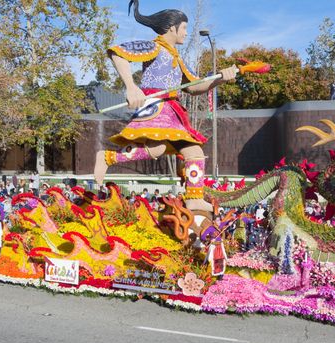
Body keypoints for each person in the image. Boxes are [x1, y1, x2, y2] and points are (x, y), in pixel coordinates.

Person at [93, 0, 237, 212]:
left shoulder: (177, 58)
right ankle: (107, 157)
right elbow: (117, 52)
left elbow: (196, 86)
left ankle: (194, 198)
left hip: (173, 110)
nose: (186, 32)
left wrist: (221, 79)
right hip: (157, 106)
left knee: (194, 152)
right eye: (185, 27)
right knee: (158, 147)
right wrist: (131, 87)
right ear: (172, 28)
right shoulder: (154, 47)